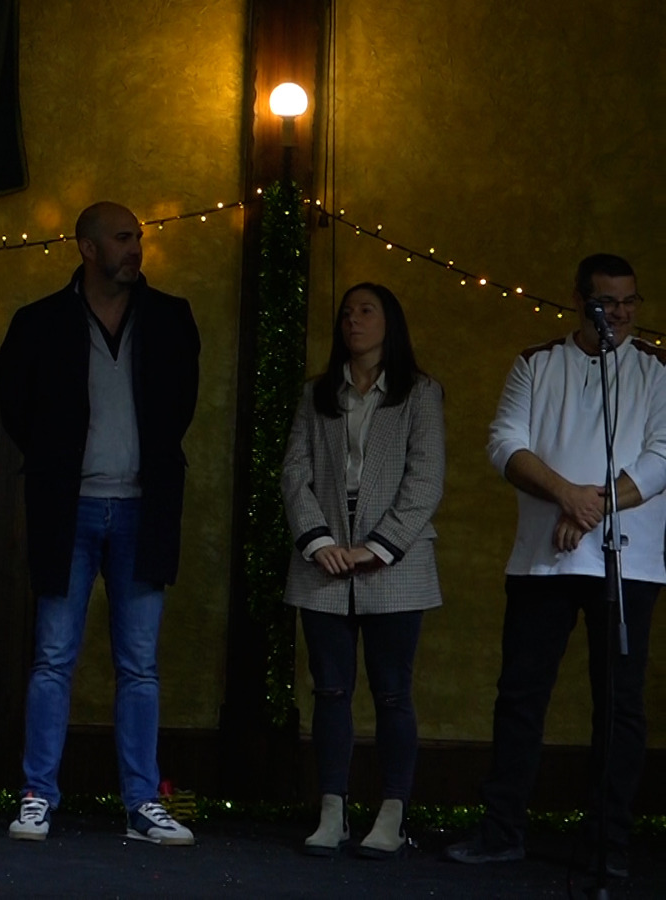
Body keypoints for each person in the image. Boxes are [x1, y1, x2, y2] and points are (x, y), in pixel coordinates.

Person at [447, 254, 662, 879]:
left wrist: (590, 507)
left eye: (629, 301)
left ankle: (607, 843)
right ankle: (502, 831)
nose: (620, 313)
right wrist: (567, 495)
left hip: (629, 562)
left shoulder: (655, 370)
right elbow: (504, 444)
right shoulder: (536, 363)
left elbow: (663, 455)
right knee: (520, 696)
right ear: (579, 301)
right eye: (607, 302)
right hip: (543, 559)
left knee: (619, 706)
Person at [0, 201, 200, 845]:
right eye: (121, 237)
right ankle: (37, 795)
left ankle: (142, 803)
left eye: (137, 237)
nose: (135, 247)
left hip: (144, 505)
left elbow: (180, 407)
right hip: (69, 507)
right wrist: (60, 464)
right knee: (53, 658)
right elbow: (16, 409)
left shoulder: (170, 317)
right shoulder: (39, 321)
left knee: (139, 665)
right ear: (87, 248)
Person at [281, 283, 445, 858]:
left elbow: (426, 479)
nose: (353, 320)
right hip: (324, 562)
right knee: (330, 690)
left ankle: (392, 814)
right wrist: (320, 541)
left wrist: (376, 547)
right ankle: (332, 811)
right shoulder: (318, 393)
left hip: (394, 565)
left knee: (393, 693)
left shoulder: (420, 393)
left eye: (366, 311)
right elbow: (294, 473)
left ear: (389, 322)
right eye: (347, 312)